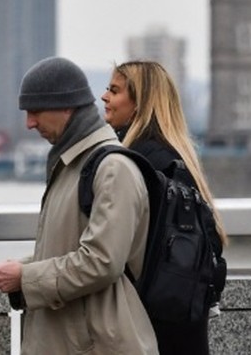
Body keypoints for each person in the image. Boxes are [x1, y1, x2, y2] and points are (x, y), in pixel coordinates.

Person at [0, 56, 159, 355]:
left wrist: (25, 277)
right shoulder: (74, 164)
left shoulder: (112, 168)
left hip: (95, 343)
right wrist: (21, 269)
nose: (29, 124)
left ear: (67, 107)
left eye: (35, 111)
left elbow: (102, 261)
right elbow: (70, 248)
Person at [101, 60, 227, 354]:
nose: (104, 96)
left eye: (114, 90)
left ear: (139, 103)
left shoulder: (142, 162)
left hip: (153, 326)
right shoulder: (172, 157)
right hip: (179, 321)